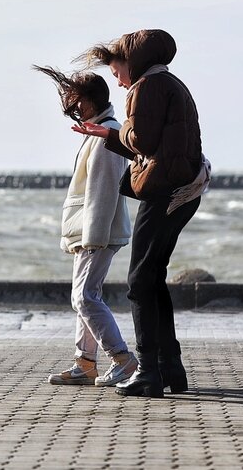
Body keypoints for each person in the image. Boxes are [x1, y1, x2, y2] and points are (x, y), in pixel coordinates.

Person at [72, 29, 211, 398]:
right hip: (184, 189)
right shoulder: (172, 83)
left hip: (165, 192)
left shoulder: (147, 87)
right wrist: (111, 135)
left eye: (116, 70)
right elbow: (156, 141)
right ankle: (170, 369)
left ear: (131, 61)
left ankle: (148, 371)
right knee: (153, 280)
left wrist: (112, 135)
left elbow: (143, 141)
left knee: (139, 284)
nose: (116, 81)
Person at [33, 65, 137, 387]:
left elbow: (103, 193)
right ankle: (85, 363)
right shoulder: (99, 132)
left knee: (85, 297)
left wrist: (92, 238)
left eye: (77, 102)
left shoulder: (107, 137)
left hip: (98, 233)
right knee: (84, 295)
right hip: (90, 232)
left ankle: (122, 358)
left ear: (91, 100)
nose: (75, 109)